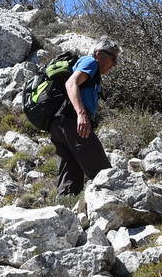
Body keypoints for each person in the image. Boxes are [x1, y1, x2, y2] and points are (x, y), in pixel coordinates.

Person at [50, 37, 119, 196]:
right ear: (99, 54)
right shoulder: (91, 62)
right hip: (72, 122)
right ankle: (117, 205)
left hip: (59, 124)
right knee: (103, 172)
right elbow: (71, 83)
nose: (114, 64)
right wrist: (81, 114)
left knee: (70, 180)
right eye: (113, 58)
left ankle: (65, 208)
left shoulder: (91, 70)